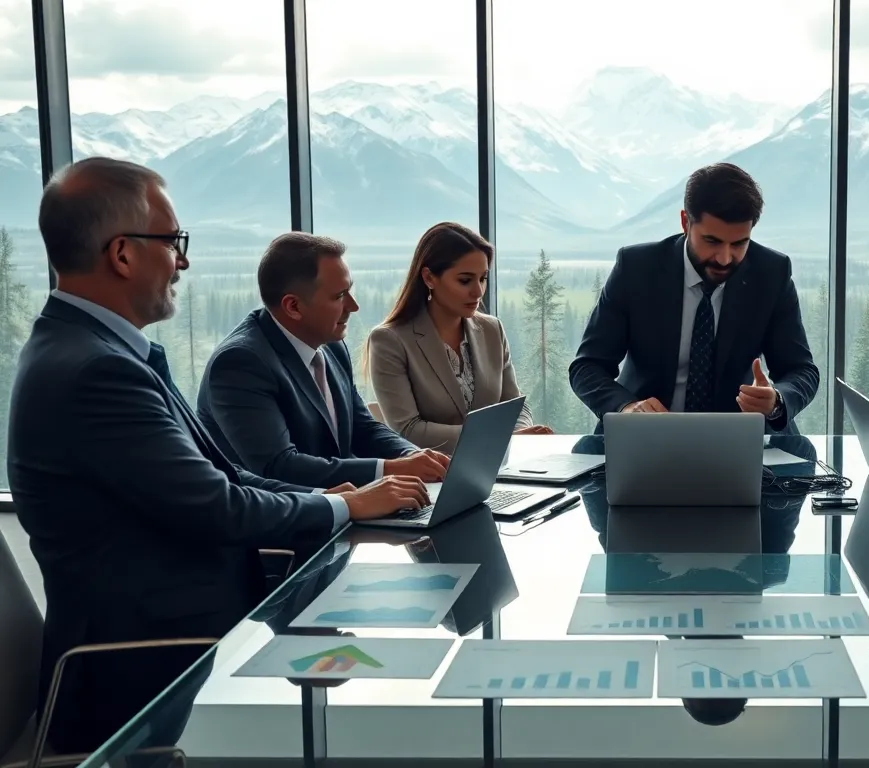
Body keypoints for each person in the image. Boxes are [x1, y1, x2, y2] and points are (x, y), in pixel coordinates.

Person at [5, 157, 428, 754]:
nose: (182, 261)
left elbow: (220, 480)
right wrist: (343, 509)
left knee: (382, 678)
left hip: (198, 635)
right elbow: (217, 506)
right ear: (123, 254)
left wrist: (329, 500)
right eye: (173, 241)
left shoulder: (99, 350)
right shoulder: (97, 370)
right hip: (151, 668)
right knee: (388, 717)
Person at [569, 163, 818, 432]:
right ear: (685, 222)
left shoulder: (771, 273)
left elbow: (801, 371)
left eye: (738, 244)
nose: (725, 258)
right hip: (644, 436)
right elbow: (587, 367)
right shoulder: (636, 269)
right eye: (712, 241)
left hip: (738, 440)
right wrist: (626, 408)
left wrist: (777, 401)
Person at [197, 232, 450, 488]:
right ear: (293, 306)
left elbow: (362, 427)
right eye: (339, 296)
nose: (353, 306)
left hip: (344, 505)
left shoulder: (332, 344)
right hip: (281, 520)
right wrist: (389, 469)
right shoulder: (239, 363)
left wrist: (412, 456)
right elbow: (279, 467)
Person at [366, 222, 550, 451]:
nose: (478, 291)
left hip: (500, 466)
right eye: (465, 280)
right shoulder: (389, 340)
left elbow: (516, 406)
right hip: (432, 475)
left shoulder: (492, 330)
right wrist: (499, 437)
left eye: (483, 278)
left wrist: (517, 435)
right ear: (429, 278)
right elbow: (407, 430)